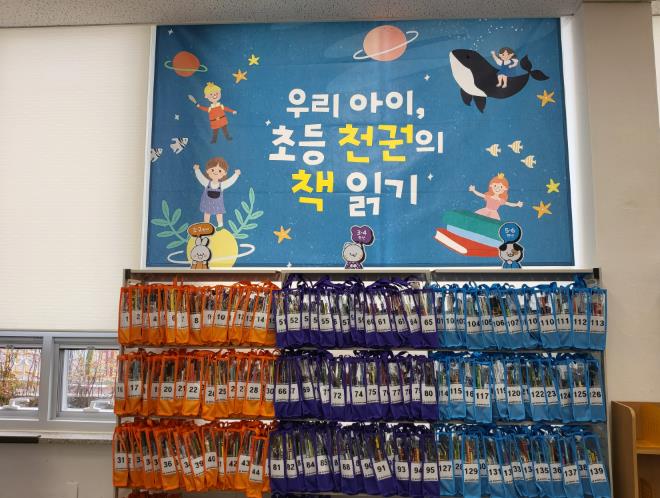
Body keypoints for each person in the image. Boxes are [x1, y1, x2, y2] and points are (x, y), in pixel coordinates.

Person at [193, 157, 241, 227]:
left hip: (218, 205)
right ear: (207, 171)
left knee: (219, 213)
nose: (215, 172)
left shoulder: (222, 185)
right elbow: (201, 178)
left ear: (225, 173)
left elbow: (230, 181)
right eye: (212, 170)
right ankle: (206, 225)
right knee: (207, 213)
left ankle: (220, 225)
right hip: (207, 204)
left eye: (220, 171)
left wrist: (236, 175)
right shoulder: (206, 183)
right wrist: (197, 170)